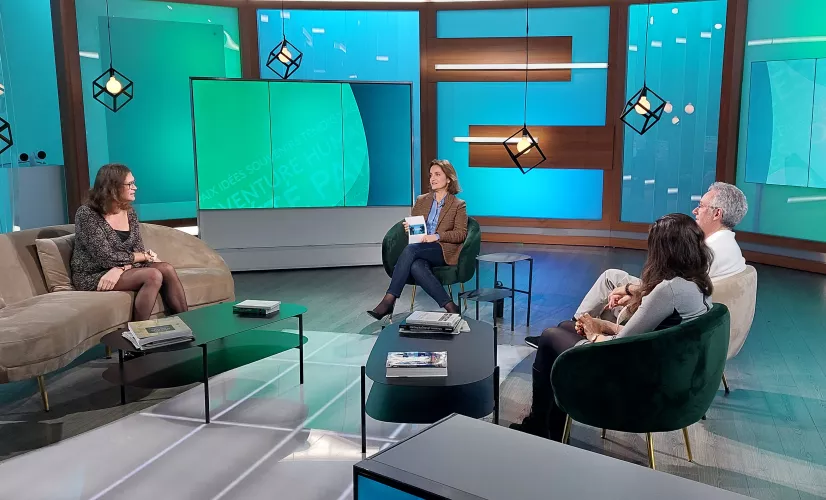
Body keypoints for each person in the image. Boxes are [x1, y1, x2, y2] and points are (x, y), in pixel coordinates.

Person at [511, 213, 714, 440]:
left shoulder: (669, 290)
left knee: (550, 337)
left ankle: (540, 424)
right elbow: (646, 335)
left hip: (637, 374)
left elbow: (623, 343)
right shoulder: (698, 283)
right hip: (660, 365)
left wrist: (594, 334)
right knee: (565, 327)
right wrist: (602, 324)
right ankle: (550, 426)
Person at [525, 181, 747, 349]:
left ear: (717, 213)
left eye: (701, 206)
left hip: (644, 352)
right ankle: (578, 323)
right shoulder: (717, 250)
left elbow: (665, 297)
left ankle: (577, 328)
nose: (695, 211)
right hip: (667, 331)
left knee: (552, 336)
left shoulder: (709, 255)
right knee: (608, 280)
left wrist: (597, 332)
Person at [70, 163, 188, 321]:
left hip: (118, 268)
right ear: (113, 187)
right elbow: (106, 257)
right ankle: (139, 331)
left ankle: (187, 322)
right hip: (93, 274)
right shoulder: (87, 214)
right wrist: (143, 256)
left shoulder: (129, 212)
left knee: (166, 268)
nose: (135, 187)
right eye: (130, 184)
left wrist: (120, 268)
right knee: (152, 275)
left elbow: (137, 248)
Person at [368, 160, 467, 320]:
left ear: (449, 179)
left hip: (442, 249)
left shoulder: (458, 205)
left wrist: (436, 236)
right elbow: (416, 226)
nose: (432, 178)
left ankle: (389, 300)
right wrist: (410, 228)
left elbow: (460, 234)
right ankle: (451, 307)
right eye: (431, 175)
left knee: (411, 250)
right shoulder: (422, 200)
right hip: (421, 247)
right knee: (416, 266)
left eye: (437, 174)